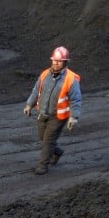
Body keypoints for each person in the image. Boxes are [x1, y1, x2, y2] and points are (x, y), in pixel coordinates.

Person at [23, 46, 81, 175]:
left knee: (48, 141)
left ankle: (43, 166)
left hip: (58, 116)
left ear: (65, 62)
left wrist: (74, 117)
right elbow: (36, 90)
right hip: (43, 113)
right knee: (43, 138)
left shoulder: (71, 79)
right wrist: (29, 105)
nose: (55, 63)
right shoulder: (45, 74)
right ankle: (57, 151)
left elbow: (76, 100)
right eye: (54, 60)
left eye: (59, 61)